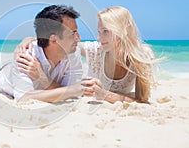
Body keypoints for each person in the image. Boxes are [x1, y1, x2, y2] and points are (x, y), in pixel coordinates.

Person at [17, 6, 160, 103]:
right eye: (99, 32)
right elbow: (60, 44)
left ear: (121, 31)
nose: (99, 38)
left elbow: (142, 101)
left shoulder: (142, 56)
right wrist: (28, 40)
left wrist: (105, 95)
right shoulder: (95, 50)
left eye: (105, 32)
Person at [0, 5, 85, 103]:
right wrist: (70, 91)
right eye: (73, 33)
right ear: (53, 38)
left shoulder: (73, 52)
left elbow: (70, 92)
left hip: (30, 72)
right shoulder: (26, 57)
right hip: (1, 78)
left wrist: (42, 77)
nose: (79, 38)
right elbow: (23, 97)